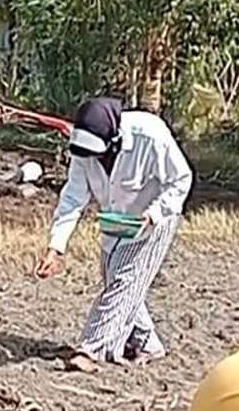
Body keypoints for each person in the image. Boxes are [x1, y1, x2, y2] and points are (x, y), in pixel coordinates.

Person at [33, 96, 192, 372]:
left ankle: (90, 349)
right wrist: (56, 247)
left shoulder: (150, 135)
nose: (94, 158)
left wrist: (154, 214)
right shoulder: (82, 148)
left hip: (153, 220)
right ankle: (148, 344)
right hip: (115, 220)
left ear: (114, 138)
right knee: (117, 282)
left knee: (125, 281)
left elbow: (181, 179)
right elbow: (73, 198)